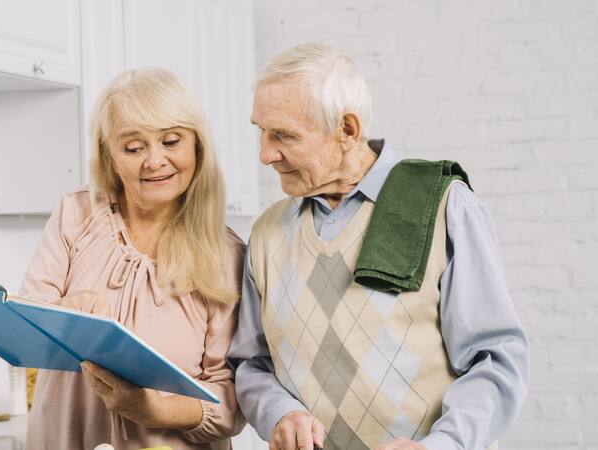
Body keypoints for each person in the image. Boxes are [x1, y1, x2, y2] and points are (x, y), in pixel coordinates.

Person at [227, 43, 529, 450]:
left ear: (347, 130)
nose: (265, 154)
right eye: (260, 131)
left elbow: (494, 357)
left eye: (284, 135)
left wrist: (442, 445)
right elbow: (252, 363)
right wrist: (279, 411)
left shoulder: (442, 205)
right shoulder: (267, 232)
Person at [20, 68, 245, 450]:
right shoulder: (76, 214)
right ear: (110, 156)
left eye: (171, 141)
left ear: (197, 147)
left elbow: (232, 403)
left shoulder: (227, 255)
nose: (155, 161)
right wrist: (65, 311)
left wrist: (154, 410)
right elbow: (24, 326)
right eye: (133, 148)